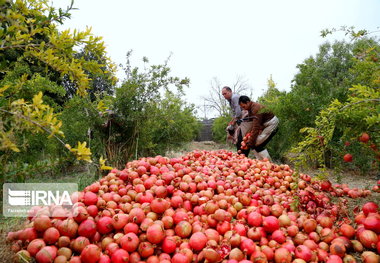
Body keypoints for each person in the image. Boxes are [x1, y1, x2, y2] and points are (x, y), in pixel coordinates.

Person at [238, 95, 279, 161]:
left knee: (257, 143)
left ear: (248, 102)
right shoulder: (250, 109)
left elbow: (256, 126)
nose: (244, 109)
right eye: (242, 108)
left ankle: (269, 164)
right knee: (253, 144)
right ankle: (260, 163)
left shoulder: (256, 108)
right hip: (265, 125)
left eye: (244, 106)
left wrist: (251, 141)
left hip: (271, 124)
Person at [221, 86, 251, 156]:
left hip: (246, 119)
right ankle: (240, 157)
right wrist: (231, 122)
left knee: (241, 138)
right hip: (240, 119)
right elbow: (234, 114)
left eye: (225, 93)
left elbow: (238, 113)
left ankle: (243, 157)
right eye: (223, 94)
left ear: (230, 92)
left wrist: (233, 124)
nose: (224, 96)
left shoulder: (234, 98)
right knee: (238, 137)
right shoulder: (230, 100)